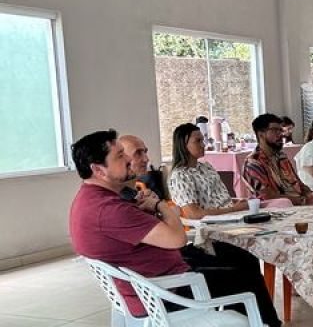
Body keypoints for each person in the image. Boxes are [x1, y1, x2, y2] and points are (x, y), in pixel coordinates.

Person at [68, 130, 281, 327]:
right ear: (98, 169)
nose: (129, 160)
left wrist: (150, 209)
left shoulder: (92, 199)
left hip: (155, 281)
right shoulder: (108, 209)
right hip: (166, 292)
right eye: (119, 156)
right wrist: (161, 205)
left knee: (241, 260)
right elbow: (177, 239)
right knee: (246, 279)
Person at [167, 123, 249, 219]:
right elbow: (194, 214)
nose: (203, 145)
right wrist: (234, 209)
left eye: (203, 140)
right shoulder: (180, 176)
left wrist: (238, 202)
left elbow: (218, 199)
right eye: (198, 141)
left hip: (230, 216)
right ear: (183, 145)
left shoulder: (206, 167)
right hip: (214, 222)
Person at [243, 113, 313, 206]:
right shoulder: (253, 163)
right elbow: (267, 197)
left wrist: (310, 193)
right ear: (261, 134)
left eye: (280, 130)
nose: (281, 134)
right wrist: (300, 200)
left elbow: (298, 183)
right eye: (275, 130)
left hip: (299, 204)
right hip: (277, 210)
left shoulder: (281, 156)